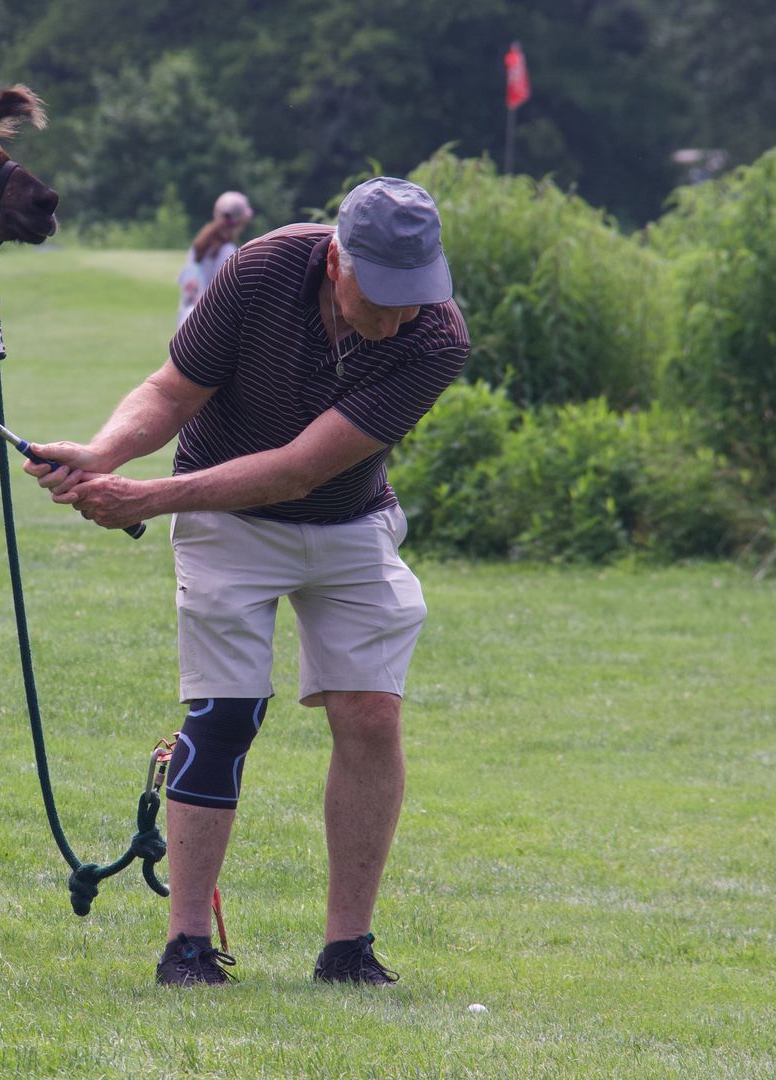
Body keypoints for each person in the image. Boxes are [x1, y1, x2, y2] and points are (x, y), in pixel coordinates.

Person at [26, 177, 470, 987]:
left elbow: (300, 471)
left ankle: (347, 949)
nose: (400, 316)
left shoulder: (435, 339)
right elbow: (172, 391)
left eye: (417, 296)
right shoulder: (261, 271)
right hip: (228, 521)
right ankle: (188, 945)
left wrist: (147, 498)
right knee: (226, 711)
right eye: (386, 296)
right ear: (338, 260)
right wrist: (104, 454)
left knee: (371, 713)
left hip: (347, 519)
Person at [176, 191, 253, 326]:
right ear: (239, 223)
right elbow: (225, 297)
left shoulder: (198, 245)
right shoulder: (228, 251)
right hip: (208, 326)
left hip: (185, 323)